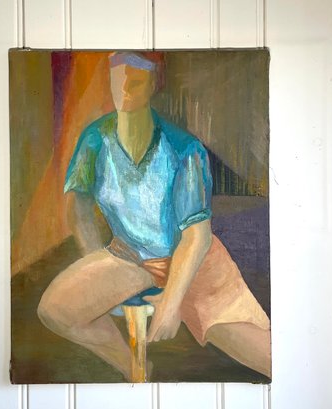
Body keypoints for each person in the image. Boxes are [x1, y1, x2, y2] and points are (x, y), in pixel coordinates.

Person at [37, 52, 271, 380]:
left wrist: (172, 303)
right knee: (55, 309)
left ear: (153, 84)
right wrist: (95, 265)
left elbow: (196, 236)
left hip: (192, 262)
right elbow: (79, 208)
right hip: (129, 257)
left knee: (267, 357)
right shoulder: (95, 139)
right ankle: (135, 370)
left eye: (135, 81)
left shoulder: (183, 148)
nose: (124, 89)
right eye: (118, 79)